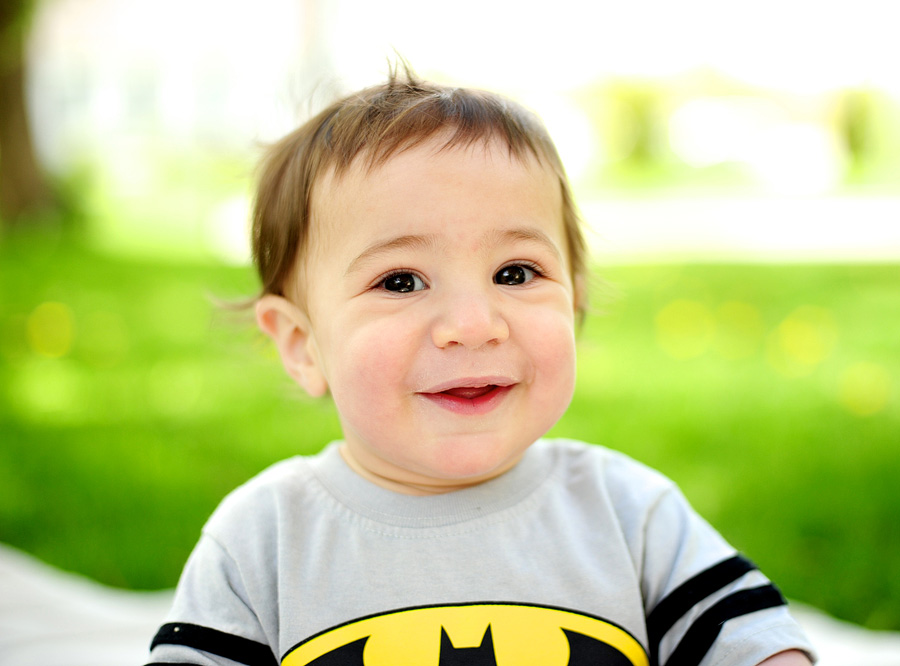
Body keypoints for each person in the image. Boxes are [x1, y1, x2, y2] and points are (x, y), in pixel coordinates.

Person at [146, 66, 816, 666]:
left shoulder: (626, 512)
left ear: (574, 300)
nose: (473, 325)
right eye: (401, 282)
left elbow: (754, 645)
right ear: (301, 345)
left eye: (515, 272)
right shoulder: (266, 537)